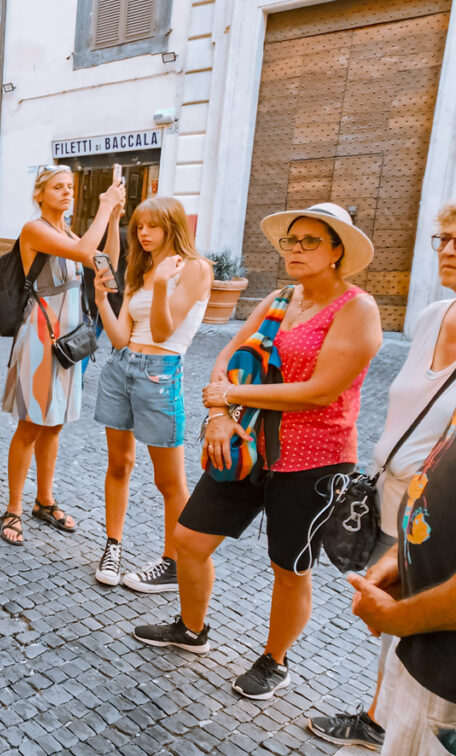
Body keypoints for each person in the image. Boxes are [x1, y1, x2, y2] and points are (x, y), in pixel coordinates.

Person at [132, 202, 382, 700]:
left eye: (310, 241)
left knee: (289, 569)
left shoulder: (357, 308)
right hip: (246, 445)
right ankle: (192, 628)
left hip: (314, 459)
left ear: (338, 250)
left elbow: (320, 390)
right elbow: (228, 355)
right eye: (291, 241)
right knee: (188, 539)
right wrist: (222, 416)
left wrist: (232, 397)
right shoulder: (279, 299)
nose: (295, 249)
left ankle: (275, 661)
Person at [308, 203, 456, 753]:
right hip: (393, 489)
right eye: (443, 238)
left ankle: (379, 723)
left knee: (419, 615)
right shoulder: (431, 316)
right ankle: (380, 716)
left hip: (439, 510)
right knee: (388, 603)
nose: (447, 249)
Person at [91, 197, 213, 592]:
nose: (143, 233)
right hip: (121, 368)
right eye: (139, 226)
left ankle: (172, 561)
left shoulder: (195, 269)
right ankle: (113, 546)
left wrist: (161, 284)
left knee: (169, 480)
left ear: (173, 227)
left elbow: (162, 332)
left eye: (153, 226)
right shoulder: (140, 269)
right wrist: (100, 301)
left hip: (160, 374)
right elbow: (122, 337)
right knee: (119, 464)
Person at [0, 166, 122, 545]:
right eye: (58, 187)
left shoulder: (69, 233)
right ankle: (14, 507)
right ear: (40, 194)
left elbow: (105, 263)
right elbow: (87, 251)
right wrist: (103, 207)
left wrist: (114, 218)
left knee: (54, 424)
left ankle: (44, 500)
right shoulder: (35, 230)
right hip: (39, 336)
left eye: (70, 187)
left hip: (68, 338)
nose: (67, 192)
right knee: (30, 424)